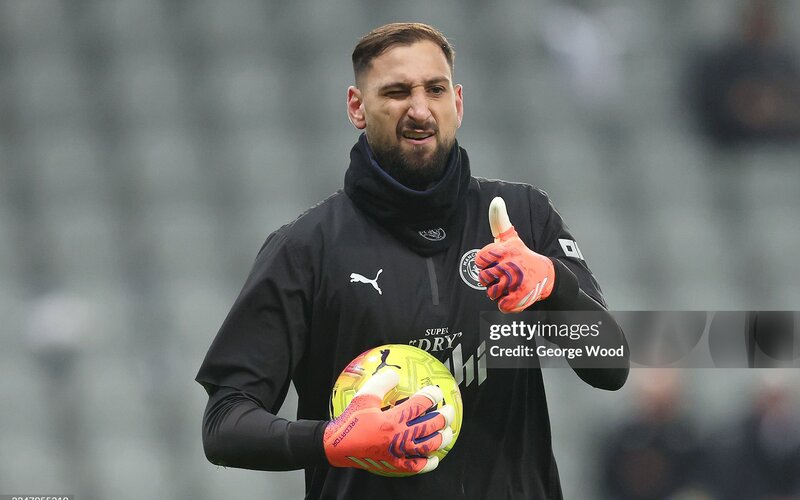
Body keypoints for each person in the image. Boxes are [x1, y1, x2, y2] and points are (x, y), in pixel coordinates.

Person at [196, 22, 629, 499]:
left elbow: (612, 366)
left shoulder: (524, 217)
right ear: (357, 107)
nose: (420, 110)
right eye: (397, 92)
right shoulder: (305, 248)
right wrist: (332, 440)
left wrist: (553, 283)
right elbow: (225, 423)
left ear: (458, 102)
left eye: (435, 90)